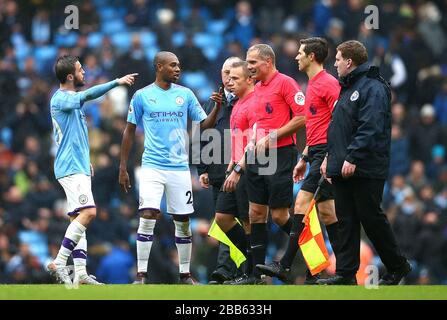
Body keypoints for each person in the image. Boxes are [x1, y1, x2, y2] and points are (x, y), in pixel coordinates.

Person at [118, 51, 221, 285]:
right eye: (173, 65)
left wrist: (216, 107)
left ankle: (185, 274)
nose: (177, 69)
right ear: (159, 67)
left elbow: (203, 126)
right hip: (152, 166)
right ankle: (141, 274)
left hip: (179, 167)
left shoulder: (185, 94)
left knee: (182, 220)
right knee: (147, 214)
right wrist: (123, 166)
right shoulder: (142, 96)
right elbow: (129, 130)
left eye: (179, 65)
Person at [319, 40, 411, 285]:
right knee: (346, 220)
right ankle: (346, 274)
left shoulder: (373, 87)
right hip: (342, 165)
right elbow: (339, 129)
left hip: (365, 166)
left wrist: (353, 157)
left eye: (337, 59)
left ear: (349, 62)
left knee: (370, 217)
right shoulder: (346, 88)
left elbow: (370, 126)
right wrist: (330, 157)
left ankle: (398, 265)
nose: (335, 63)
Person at [256, 37, 341, 284]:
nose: (296, 57)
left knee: (302, 203)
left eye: (301, 53)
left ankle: (284, 264)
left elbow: (340, 121)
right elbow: (316, 125)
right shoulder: (312, 84)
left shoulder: (328, 83)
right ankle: (345, 271)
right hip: (315, 152)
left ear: (312, 56)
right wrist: (304, 155)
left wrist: (327, 155)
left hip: (326, 152)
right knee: (327, 213)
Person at [47, 55, 136, 286]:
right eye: (79, 69)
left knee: (79, 219)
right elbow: (87, 95)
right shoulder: (60, 99)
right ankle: (59, 260)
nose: (84, 72)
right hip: (70, 167)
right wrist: (116, 82)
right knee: (89, 213)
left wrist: (86, 160)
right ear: (70, 76)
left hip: (78, 165)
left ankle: (81, 273)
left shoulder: (69, 100)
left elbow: (75, 135)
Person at [230, 44, 306, 285]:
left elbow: (302, 116)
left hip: (281, 153)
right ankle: (256, 275)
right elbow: (259, 123)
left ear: (268, 62)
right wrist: (253, 142)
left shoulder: (285, 83)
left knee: (280, 215)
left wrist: (273, 136)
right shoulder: (258, 88)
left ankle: (315, 256)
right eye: (247, 62)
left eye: (252, 62)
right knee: (255, 213)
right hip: (258, 155)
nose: (248, 67)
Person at [197, 56, 245, 284]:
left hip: (243, 170)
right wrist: (202, 169)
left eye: (233, 73)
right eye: (226, 72)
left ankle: (227, 270)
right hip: (218, 172)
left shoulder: (247, 100)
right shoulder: (212, 102)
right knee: (225, 221)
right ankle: (238, 270)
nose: (228, 78)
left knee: (241, 220)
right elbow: (201, 136)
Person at [212, 60, 257, 284]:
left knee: (247, 219)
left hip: (250, 169)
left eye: (235, 78)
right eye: (228, 77)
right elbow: (236, 140)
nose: (230, 81)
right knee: (222, 217)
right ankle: (251, 261)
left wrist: (238, 169)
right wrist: (231, 165)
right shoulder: (236, 104)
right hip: (233, 169)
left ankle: (252, 270)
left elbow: (254, 141)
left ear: (249, 79)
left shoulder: (255, 102)